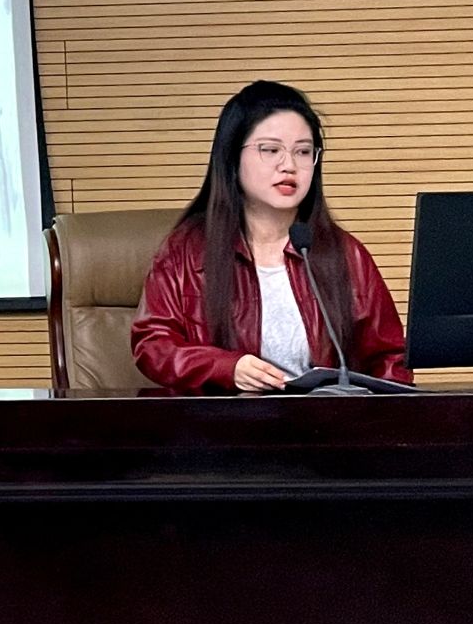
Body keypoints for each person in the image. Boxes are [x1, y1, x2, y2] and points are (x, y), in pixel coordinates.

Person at [131, 80, 410, 394]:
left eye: (303, 152)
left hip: (323, 421)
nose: (289, 165)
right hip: (223, 420)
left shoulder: (344, 254)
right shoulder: (187, 250)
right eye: (271, 150)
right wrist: (225, 368)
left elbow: (390, 360)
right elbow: (153, 345)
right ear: (232, 157)